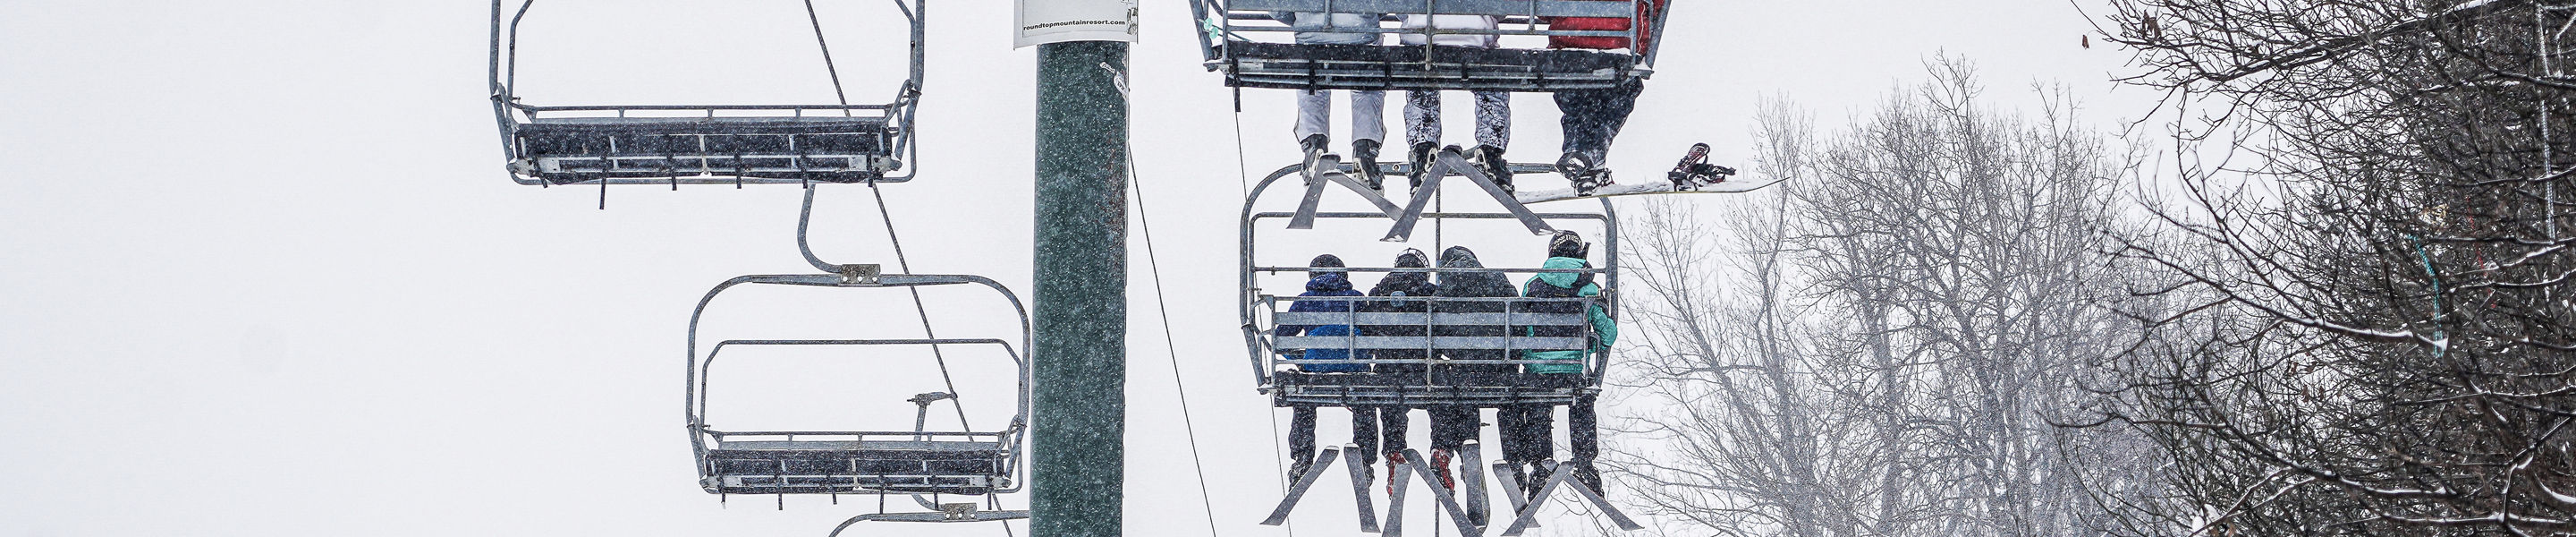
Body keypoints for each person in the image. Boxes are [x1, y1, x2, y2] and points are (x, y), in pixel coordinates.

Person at [1497, 231, 1617, 495]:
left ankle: (1540, 465)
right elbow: (1608, 333)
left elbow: (1520, 327)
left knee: (1537, 404)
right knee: (1582, 399)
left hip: (1537, 374)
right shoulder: (1588, 288)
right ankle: (1585, 463)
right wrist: (1592, 344)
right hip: (1572, 372)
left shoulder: (1533, 285)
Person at [1546, 0, 1667, 194]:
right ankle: (1591, 158)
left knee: (1576, 105)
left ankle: (1580, 155)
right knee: (1616, 101)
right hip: (1619, 43)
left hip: (1567, 46)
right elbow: (1656, 5)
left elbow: (1543, 10)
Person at [1273, 254, 1371, 483]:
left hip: (1317, 364)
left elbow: (1282, 339)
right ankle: (1365, 459)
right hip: (1352, 365)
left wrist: (1301, 358)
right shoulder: (1356, 298)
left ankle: (1302, 455)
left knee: (1304, 398)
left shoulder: (1305, 299)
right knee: (1365, 399)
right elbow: (1371, 334)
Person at [1426, 245, 1518, 490]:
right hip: (1496, 368)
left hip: (1462, 370)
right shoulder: (1496, 278)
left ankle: (1445, 448)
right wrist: (1511, 361)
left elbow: (1434, 331)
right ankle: (1510, 459)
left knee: (1449, 385)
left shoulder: (1443, 290)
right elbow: (1518, 317)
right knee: (1484, 390)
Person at [1273, 9, 1392, 189]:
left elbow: (1276, 8)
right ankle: (1365, 150)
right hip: (1361, 35)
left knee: (1313, 84)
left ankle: (1314, 145)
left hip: (1312, 35)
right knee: (1366, 86)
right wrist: (1365, 13)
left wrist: (1304, 14)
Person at [1398, 13, 1513, 192]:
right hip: (1475, 38)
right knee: (1491, 86)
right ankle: (1492, 152)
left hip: (1422, 38)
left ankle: (1423, 150)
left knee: (1421, 85)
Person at [1358, 248, 1438, 490]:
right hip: (1423, 371)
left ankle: (1393, 451)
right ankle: (1441, 448)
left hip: (1388, 369)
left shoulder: (1378, 291)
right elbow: (1444, 328)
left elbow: (1367, 330)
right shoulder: (1430, 292)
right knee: (1442, 401)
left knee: (1391, 408)